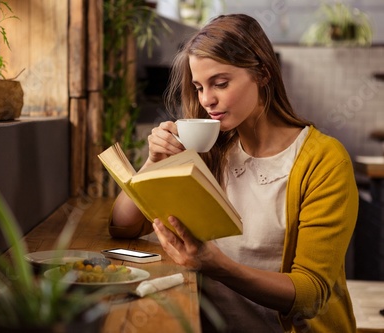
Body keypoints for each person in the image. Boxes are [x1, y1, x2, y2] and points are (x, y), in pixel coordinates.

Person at [108, 14, 358, 333]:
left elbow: (310, 295)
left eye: (220, 83)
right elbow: (123, 226)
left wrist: (218, 267)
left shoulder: (323, 161)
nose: (206, 100)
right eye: (199, 87)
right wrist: (152, 162)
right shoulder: (211, 151)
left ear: (263, 73)